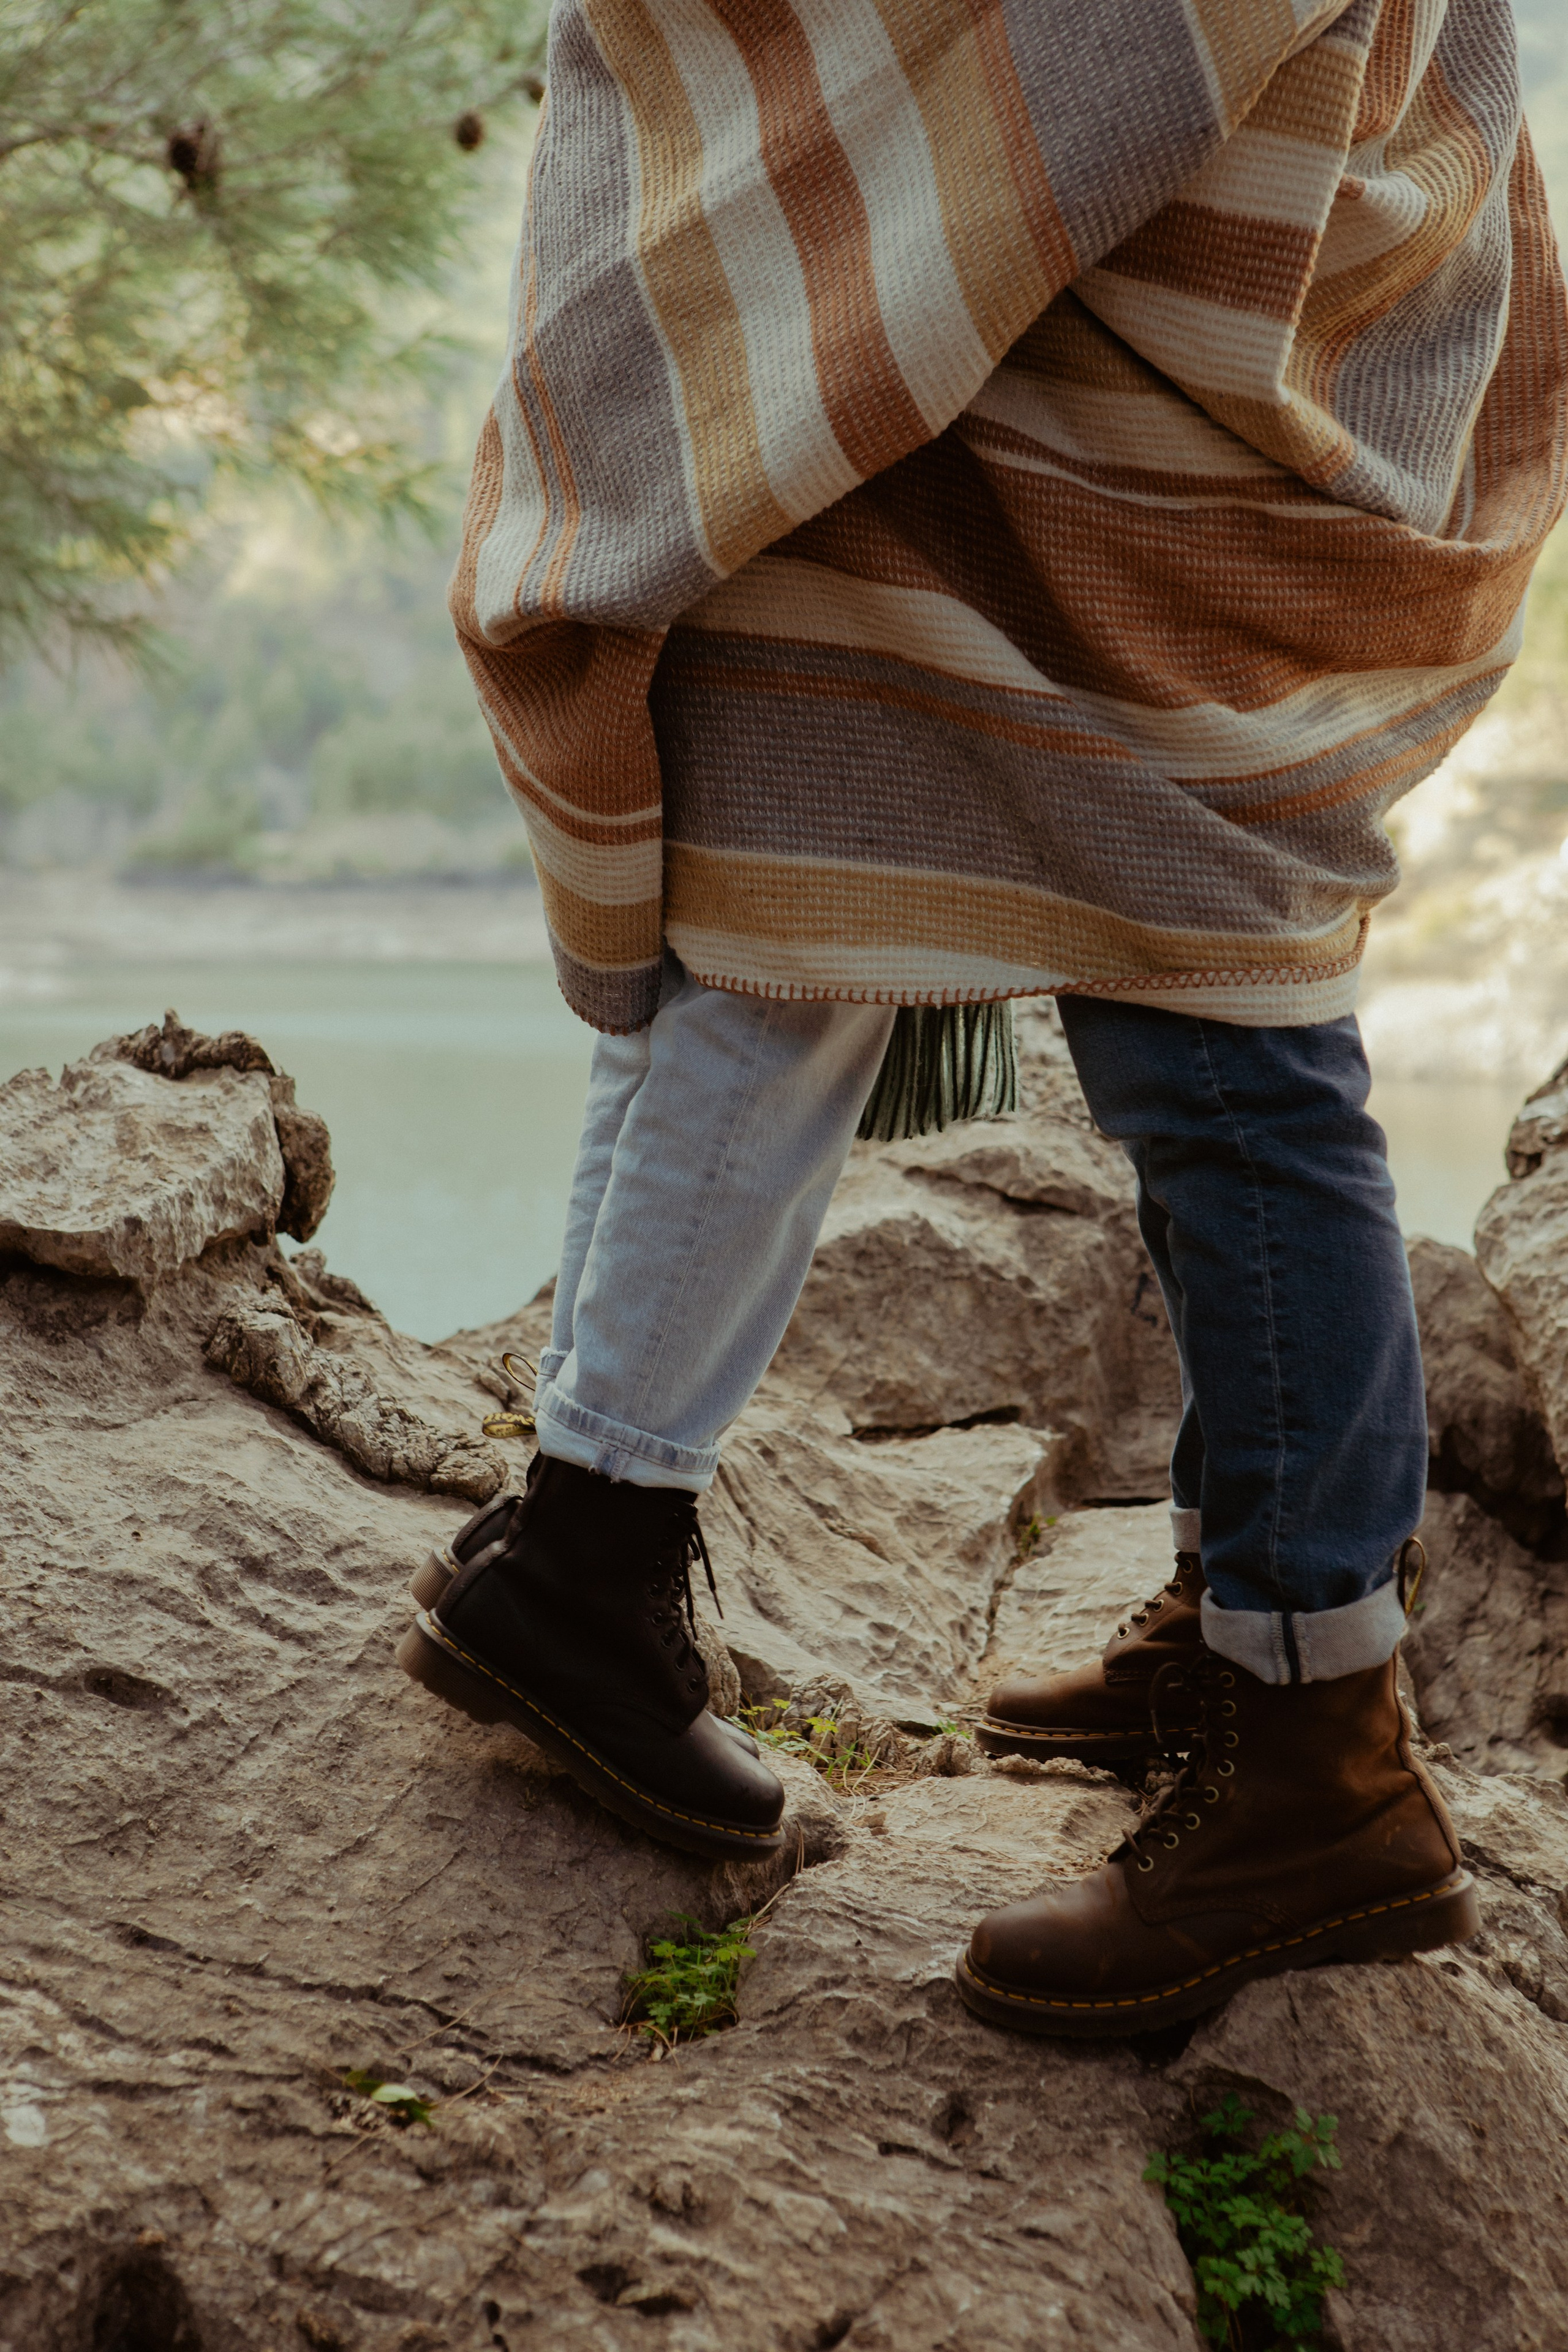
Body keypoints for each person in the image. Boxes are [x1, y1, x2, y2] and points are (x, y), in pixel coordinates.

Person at [400, 0, 1568, 2035]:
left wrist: (900, 195)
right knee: (829, 928)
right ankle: (1215, 1626)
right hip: (1080, 398)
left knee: (1213, 1035)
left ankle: (1320, 1762)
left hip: (1143, 410)